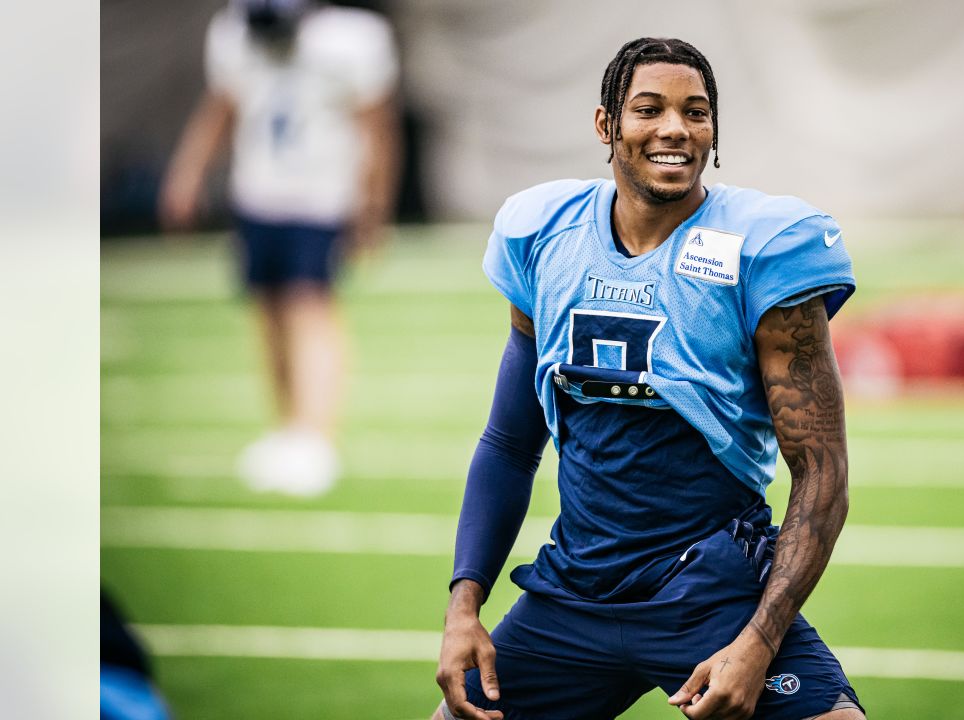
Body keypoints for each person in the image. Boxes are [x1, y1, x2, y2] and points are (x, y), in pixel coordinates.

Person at [435, 38, 865, 720]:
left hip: (708, 589)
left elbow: (822, 469)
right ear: (606, 125)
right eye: (649, 109)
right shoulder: (544, 235)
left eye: (696, 112)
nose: (674, 128)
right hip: (572, 593)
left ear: (714, 132)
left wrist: (758, 642)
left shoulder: (763, 246)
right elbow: (511, 442)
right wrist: (465, 609)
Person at [159, 0, 400, 496]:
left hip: (320, 196)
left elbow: (376, 129)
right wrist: (189, 173)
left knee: (310, 308)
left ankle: (316, 436)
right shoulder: (234, 30)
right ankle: (287, 429)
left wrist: (373, 205)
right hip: (258, 192)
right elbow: (221, 107)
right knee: (267, 312)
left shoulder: (354, 39)